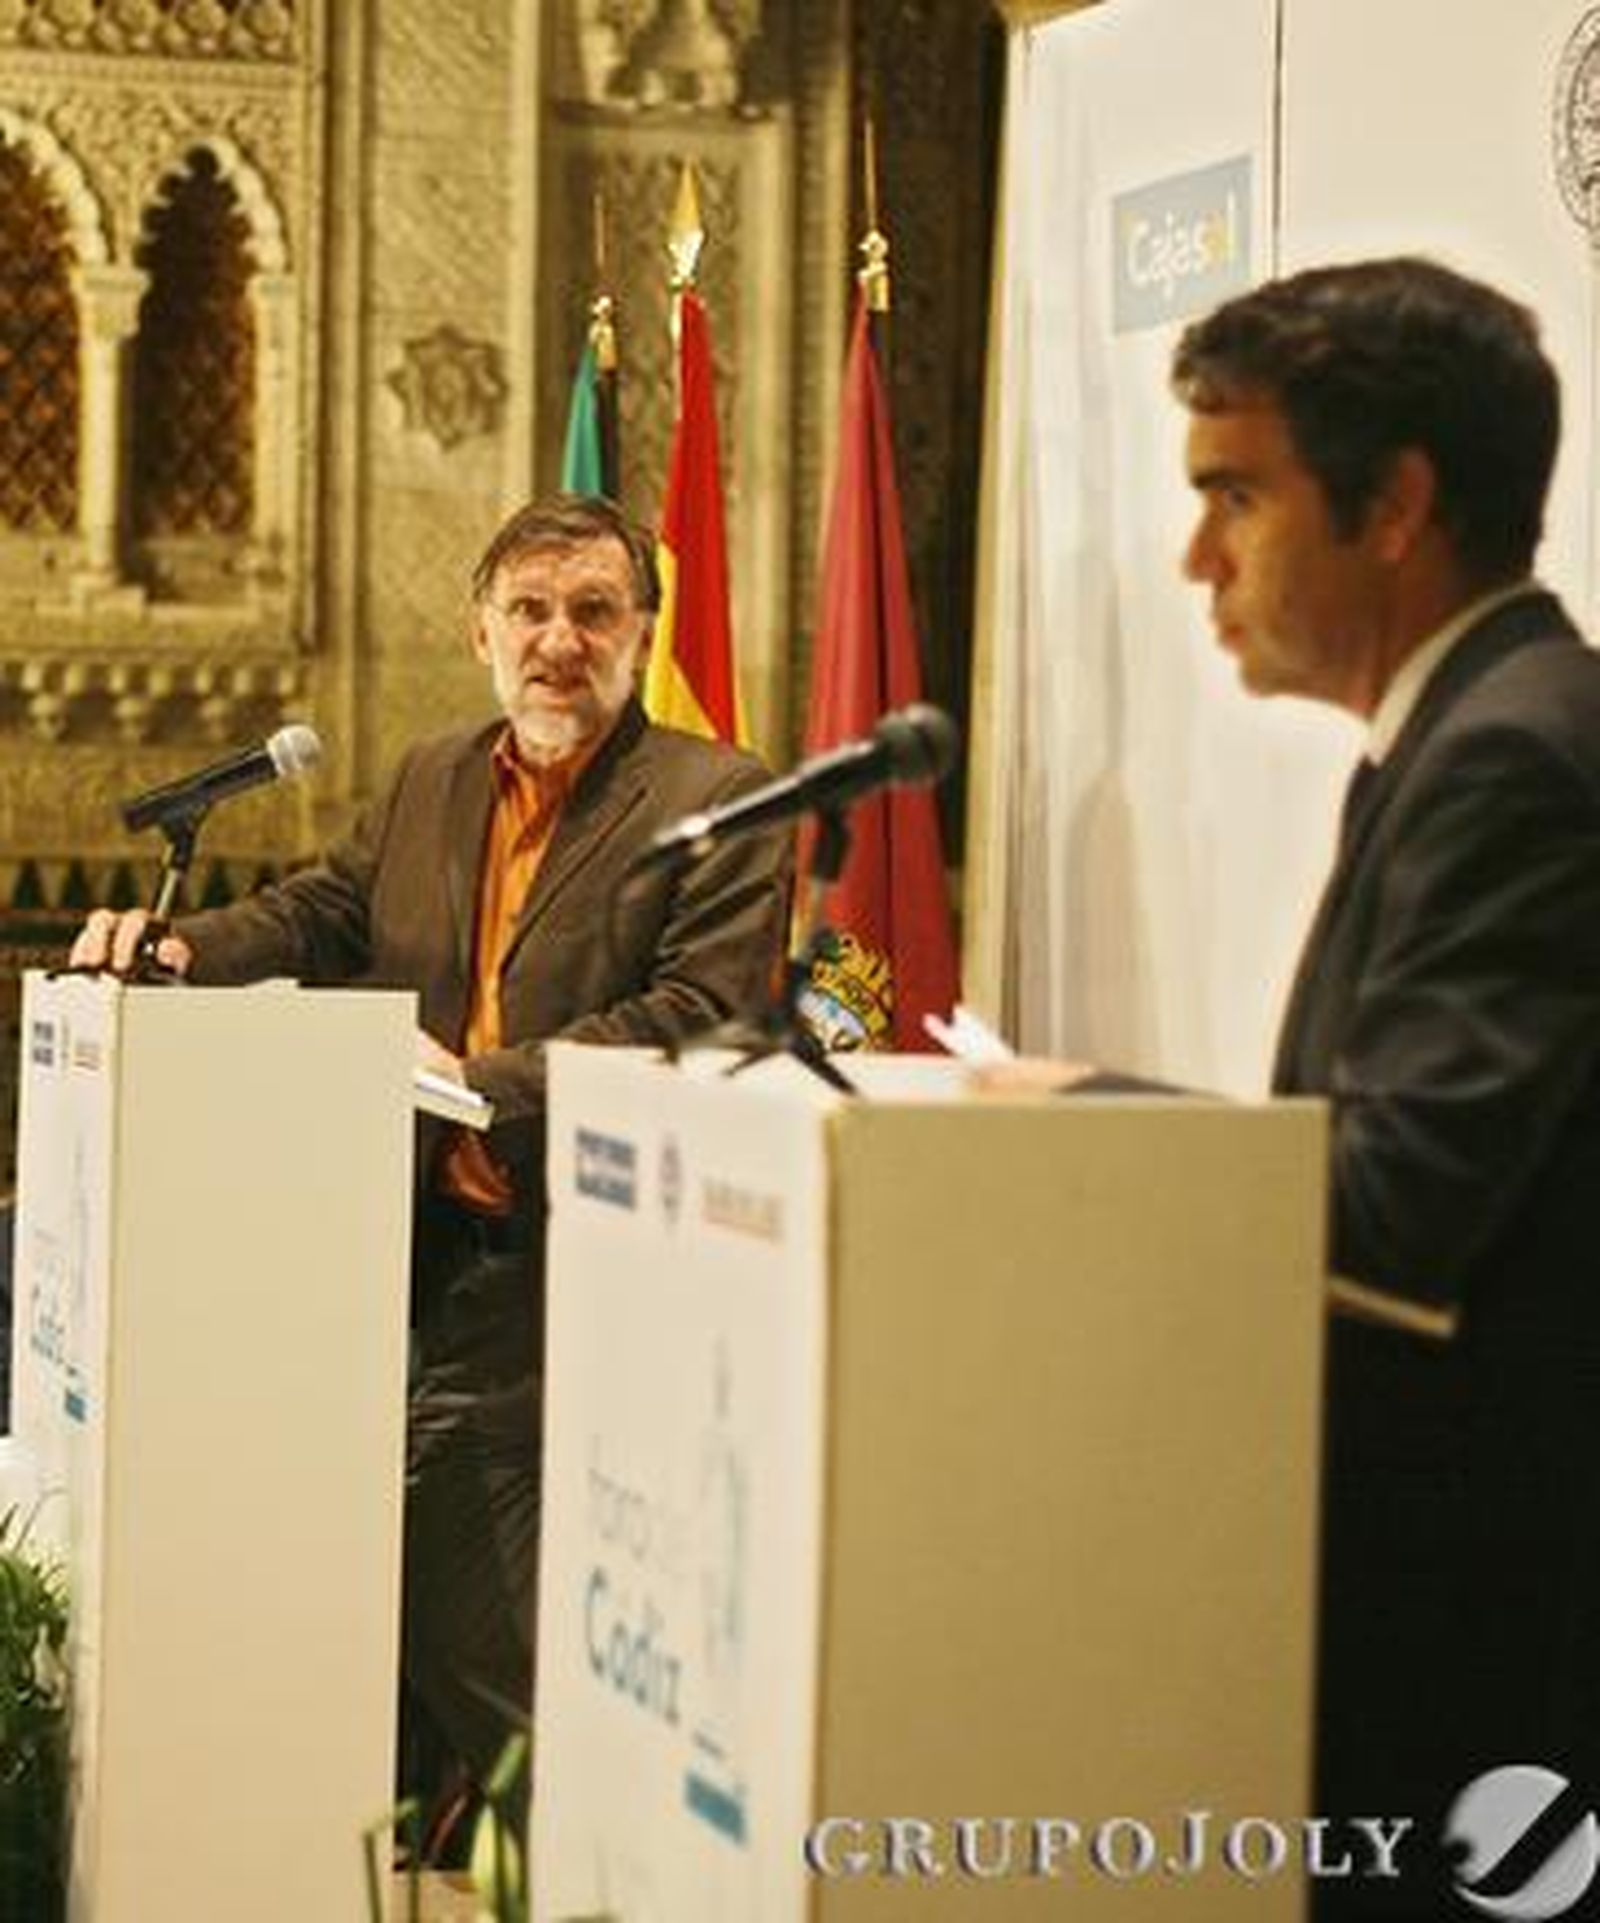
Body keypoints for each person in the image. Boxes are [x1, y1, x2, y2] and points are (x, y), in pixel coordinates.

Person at [69, 492, 791, 1838]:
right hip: (385, 1241)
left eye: (592, 612)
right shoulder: (432, 776)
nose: (558, 641)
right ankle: (450, 1820)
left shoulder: (717, 797)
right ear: (480, 632)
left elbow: (705, 1013)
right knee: (365, 1559)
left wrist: (480, 1092)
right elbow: (328, 909)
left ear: (643, 633)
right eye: (530, 610)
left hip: (573, 1249)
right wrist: (182, 950)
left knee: (445, 1556)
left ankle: (608, 1844)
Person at [1171, 258, 1600, 1913]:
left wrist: (1070, 1136)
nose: (1198, 559)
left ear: (1399, 502)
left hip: (1490, 1638)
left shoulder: (1513, 755)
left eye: (1237, 498)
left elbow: (1401, 1203)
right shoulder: (1469, 730)